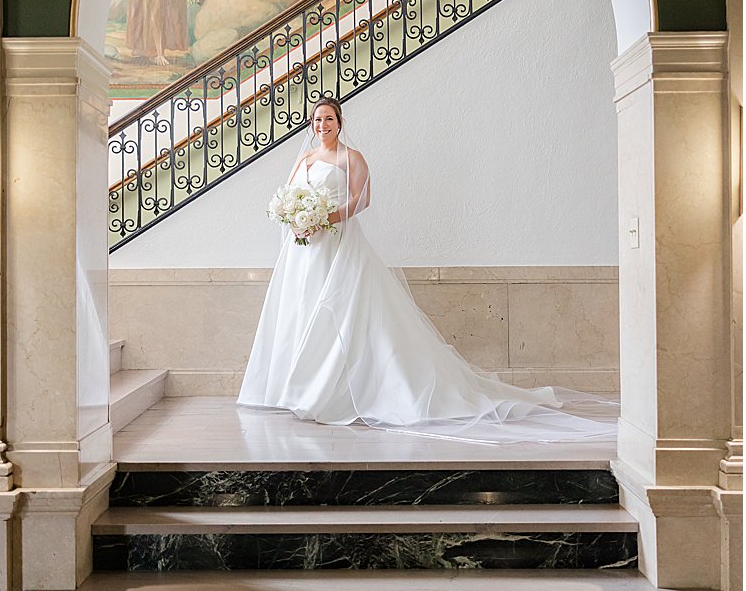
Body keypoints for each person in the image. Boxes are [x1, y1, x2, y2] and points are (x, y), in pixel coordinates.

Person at [237, 97, 615, 441]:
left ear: (340, 122)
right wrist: (294, 216)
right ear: (312, 124)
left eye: (329, 119)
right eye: (318, 120)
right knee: (299, 310)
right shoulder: (304, 160)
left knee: (340, 313)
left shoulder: (352, 158)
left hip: (337, 243)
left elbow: (362, 199)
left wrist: (326, 217)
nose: (323, 125)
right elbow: (288, 196)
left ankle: (331, 391)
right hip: (304, 249)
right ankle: (291, 389)